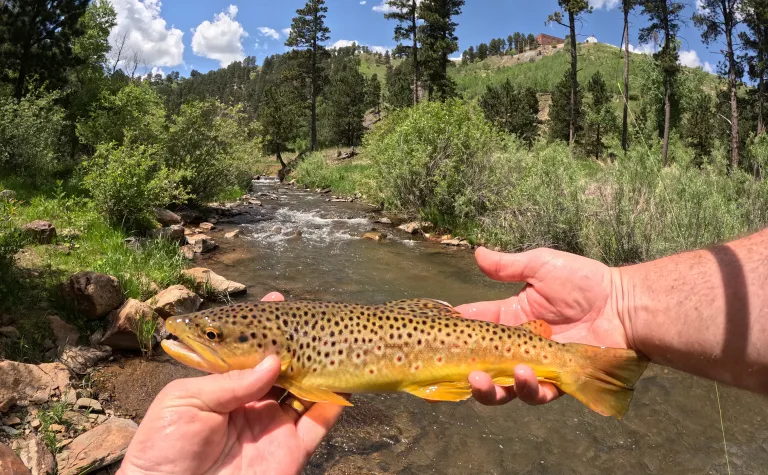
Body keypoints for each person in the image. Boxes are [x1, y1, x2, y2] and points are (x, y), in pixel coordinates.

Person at [117, 228, 768, 475]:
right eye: (219, 336)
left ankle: (586, 368)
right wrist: (621, 304)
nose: (193, 340)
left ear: (269, 348)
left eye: (219, 336)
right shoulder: (290, 364)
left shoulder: (300, 373)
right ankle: (587, 368)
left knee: (523, 364)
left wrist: (622, 303)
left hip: (460, 349)